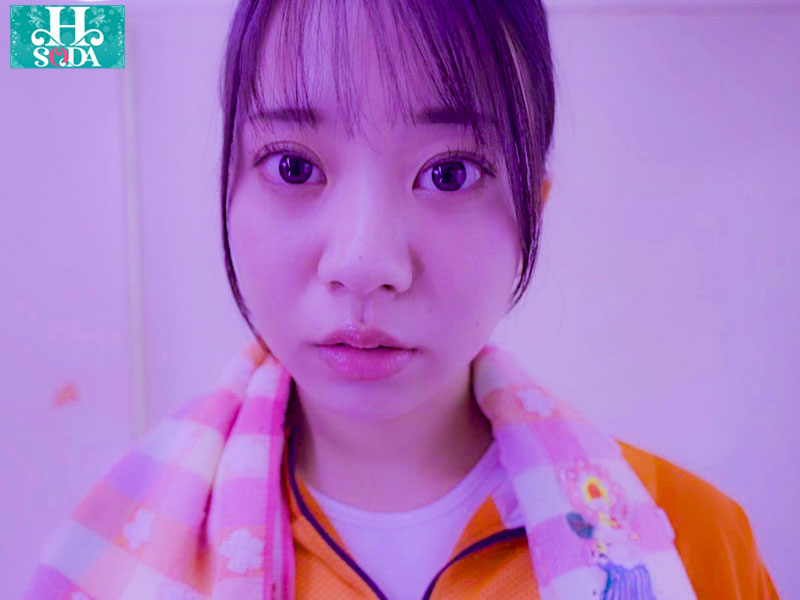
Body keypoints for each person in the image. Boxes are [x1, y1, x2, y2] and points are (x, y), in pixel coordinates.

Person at [25, 0, 780, 598]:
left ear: (534, 210)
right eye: (292, 166)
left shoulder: (694, 543)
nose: (365, 264)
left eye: (449, 173)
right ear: (229, 192)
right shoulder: (116, 553)